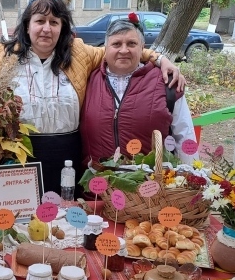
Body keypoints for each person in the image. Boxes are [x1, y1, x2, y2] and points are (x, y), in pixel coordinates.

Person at [0, 0, 185, 193]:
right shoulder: (3, 54)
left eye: (54, 22)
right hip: (19, 154)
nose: (46, 28)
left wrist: (160, 59)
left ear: (62, 27)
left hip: (68, 153)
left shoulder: (80, 53)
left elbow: (119, 50)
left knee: (66, 215)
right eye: (40, 20)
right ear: (27, 25)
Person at [80, 17, 196, 170]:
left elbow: (184, 134)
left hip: (151, 188)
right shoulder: (87, 80)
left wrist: (191, 179)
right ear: (105, 49)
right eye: (116, 44)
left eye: (131, 44)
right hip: (97, 189)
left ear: (142, 48)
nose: (124, 50)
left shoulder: (166, 82)